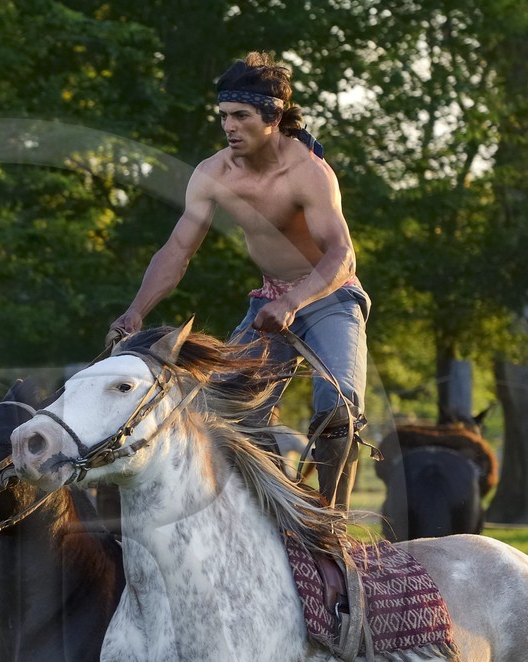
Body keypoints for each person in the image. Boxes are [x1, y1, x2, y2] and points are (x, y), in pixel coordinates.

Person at [107, 51, 370, 509]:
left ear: (273, 118)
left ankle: (333, 522)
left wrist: (294, 302)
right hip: (268, 301)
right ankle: (278, 508)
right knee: (226, 407)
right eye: (223, 116)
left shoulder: (308, 173)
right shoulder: (212, 174)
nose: (228, 126)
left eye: (240, 116)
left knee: (338, 409)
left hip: (328, 297)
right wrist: (136, 310)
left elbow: (342, 255)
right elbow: (176, 252)